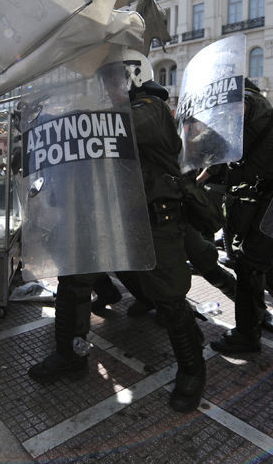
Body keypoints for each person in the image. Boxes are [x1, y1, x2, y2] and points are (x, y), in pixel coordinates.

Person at [28, 50, 206, 413]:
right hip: (104, 214)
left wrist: (64, 118)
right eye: (104, 80)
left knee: (169, 296)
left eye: (113, 79)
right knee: (75, 281)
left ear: (134, 76)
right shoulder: (106, 111)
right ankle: (70, 352)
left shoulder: (151, 110)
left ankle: (192, 368)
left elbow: (122, 127)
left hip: (155, 218)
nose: (108, 87)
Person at [199, 79, 273, 354]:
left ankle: (247, 336)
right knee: (254, 259)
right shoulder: (249, 107)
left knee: (249, 264)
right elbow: (226, 154)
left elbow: (226, 139)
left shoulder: (250, 103)